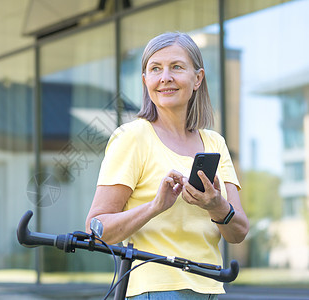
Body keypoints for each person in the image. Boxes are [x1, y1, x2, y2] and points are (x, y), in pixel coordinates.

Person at [85, 32, 249, 299]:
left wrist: (215, 205)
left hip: (210, 289)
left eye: (177, 67)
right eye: (155, 69)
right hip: (156, 290)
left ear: (198, 78)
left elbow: (238, 232)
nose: (165, 78)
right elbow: (96, 227)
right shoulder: (133, 138)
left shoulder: (214, 144)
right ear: (145, 81)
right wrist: (154, 207)